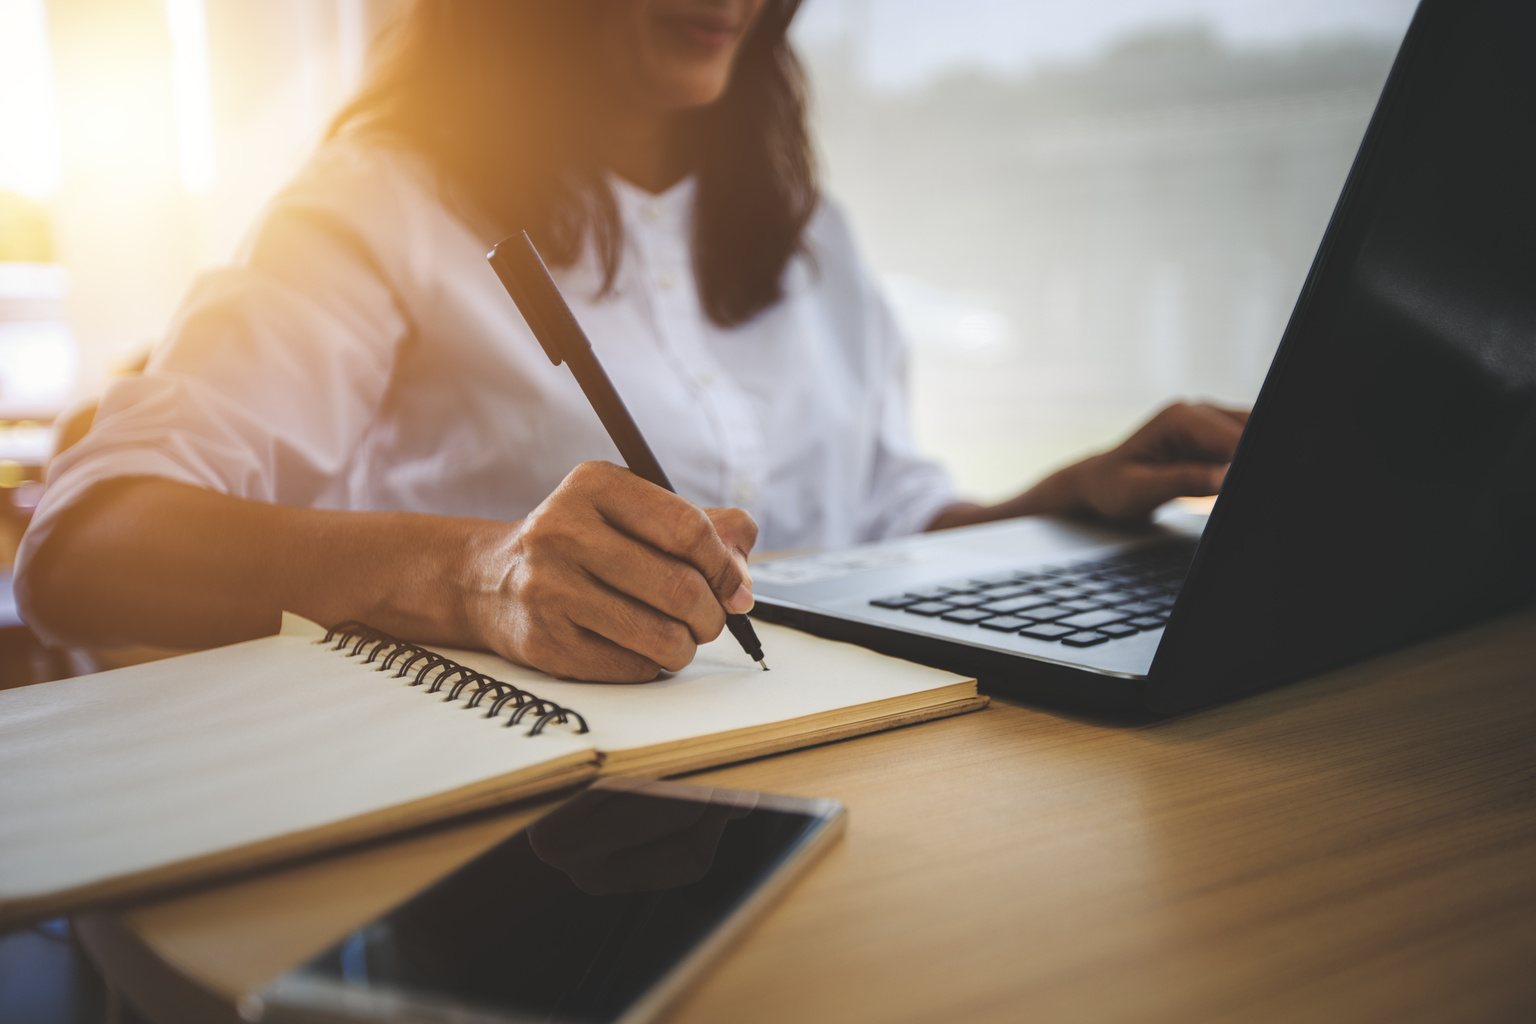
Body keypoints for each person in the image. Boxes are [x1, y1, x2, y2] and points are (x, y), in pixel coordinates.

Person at [15, 0, 1247, 682]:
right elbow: (81, 545)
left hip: (844, 773)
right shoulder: (376, 204)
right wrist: (476, 574)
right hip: (528, 842)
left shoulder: (811, 236)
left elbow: (875, 524)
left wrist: (1070, 497)